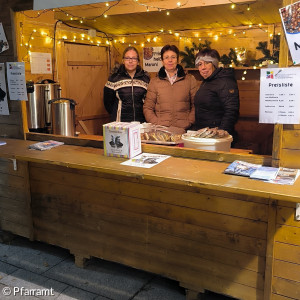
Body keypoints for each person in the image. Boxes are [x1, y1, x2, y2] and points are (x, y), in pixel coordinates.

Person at [143, 44, 198, 134]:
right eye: (166, 57)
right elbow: (147, 107)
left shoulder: (189, 80)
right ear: (162, 61)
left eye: (173, 57)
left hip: (184, 130)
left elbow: (196, 105)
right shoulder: (154, 82)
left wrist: (189, 122)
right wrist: (157, 123)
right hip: (161, 131)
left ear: (177, 59)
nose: (170, 60)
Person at [193, 48, 240, 143]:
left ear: (214, 64)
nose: (203, 67)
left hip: (217, 138)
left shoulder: (225, 82)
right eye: (200, 64)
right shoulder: (207, 81)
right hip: (205, 135)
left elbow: (232, 110)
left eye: (207, 63)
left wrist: (221, 131)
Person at [104, 46, 150, 123]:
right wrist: (116, 114)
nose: (130, 61)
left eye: (134, 58)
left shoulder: (145, 78)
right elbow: (108, 103)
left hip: (141, 122)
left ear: (138, 61)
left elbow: (149, 102)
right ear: (123, 61)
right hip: (120, 123)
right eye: (127, 58)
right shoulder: (114, 78)